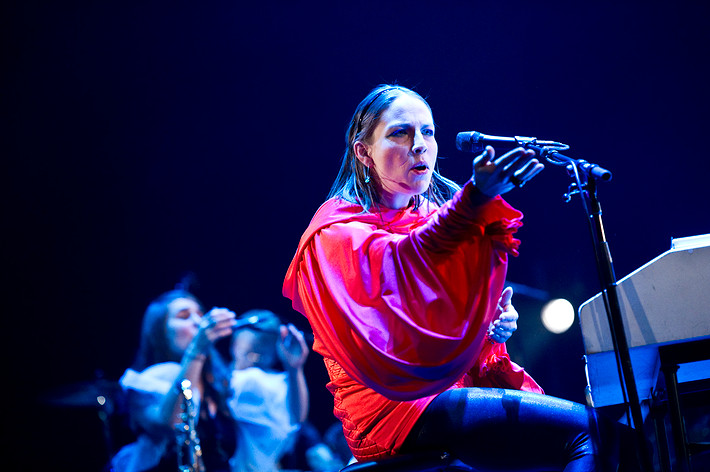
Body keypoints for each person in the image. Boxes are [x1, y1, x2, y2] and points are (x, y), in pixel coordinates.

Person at [283, 84, 639, 471]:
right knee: (592, 436)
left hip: (446, 395)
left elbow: (434, 323)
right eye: (400, 133)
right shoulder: (335, 230)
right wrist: (470, 202)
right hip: (393, 411)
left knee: (624, 443)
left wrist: (490, 328)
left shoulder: (434, 215)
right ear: (363, 152)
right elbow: (403, 260)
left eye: (428, 132)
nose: (419, 144)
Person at [110, 289, 237, 472]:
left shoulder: (219, 384)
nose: (197, 322)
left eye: (200, 314)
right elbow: (174, 424)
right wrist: (196, 350)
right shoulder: (145, 382)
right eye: (184, 316)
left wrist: (293, 366)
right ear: (161, 333)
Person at [227, 309, 316, 472]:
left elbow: (297, 418)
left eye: (267, 344)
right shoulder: (229, 379)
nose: (259, 352)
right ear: (234, 342)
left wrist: (295, 369)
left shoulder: (275, 381)